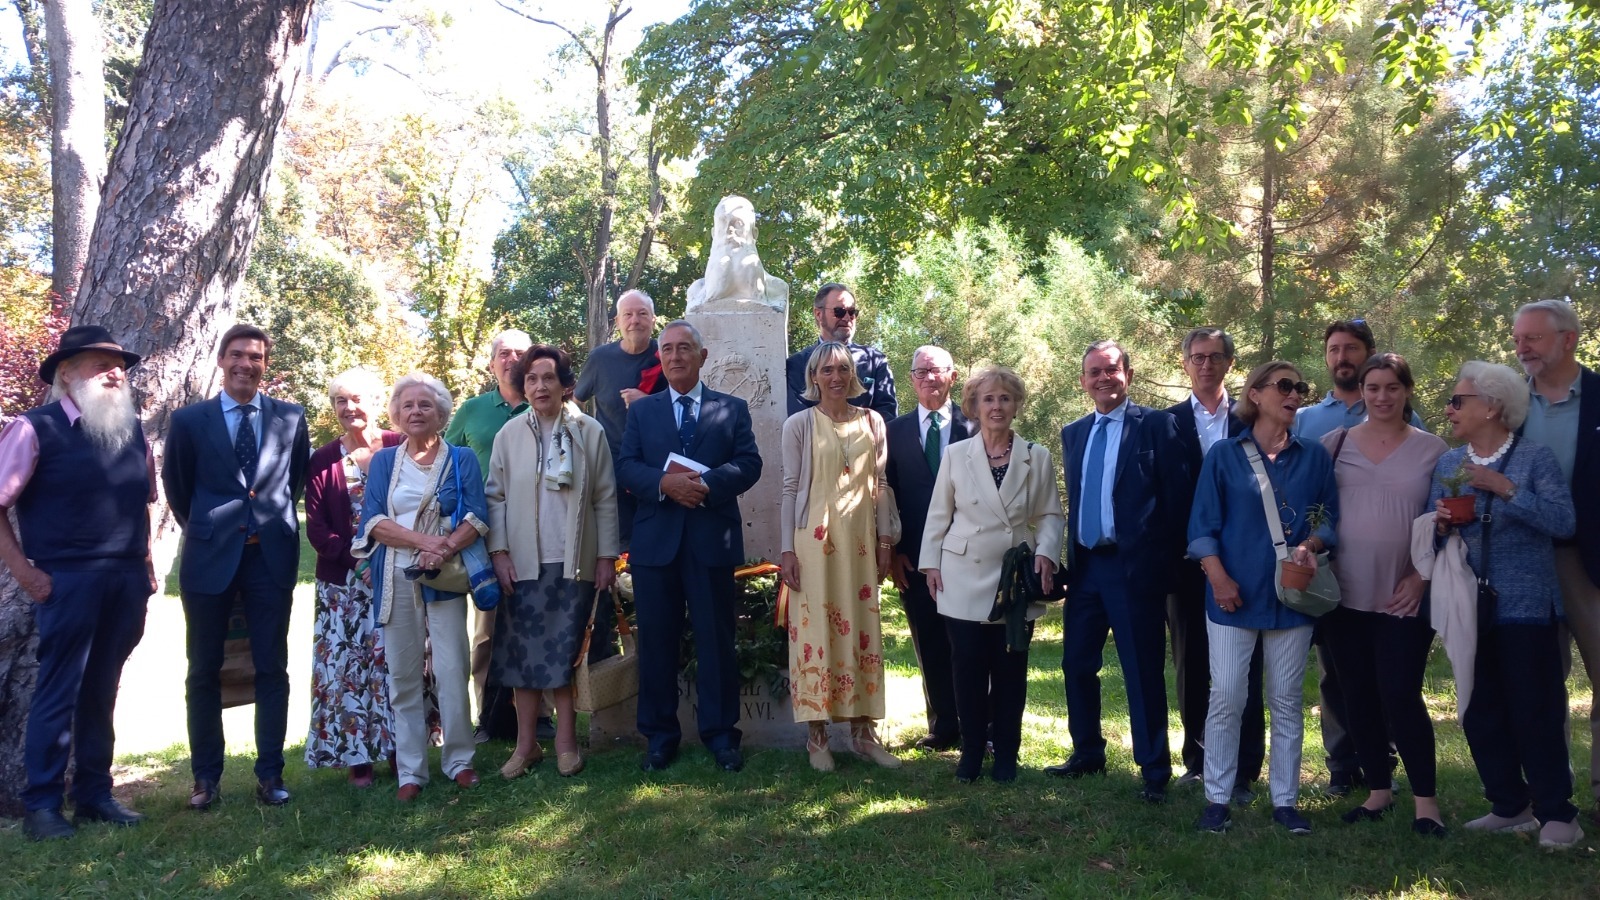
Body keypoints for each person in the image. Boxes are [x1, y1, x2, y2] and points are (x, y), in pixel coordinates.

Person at [0, 326, 155, 840]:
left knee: (102, 692)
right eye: (99, 364)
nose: (115, 373)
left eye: (119, 366)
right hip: (66, 580)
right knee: (58, 691)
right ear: (67, 375)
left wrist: (148, 567)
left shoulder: (131, 431)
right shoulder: (32, 428)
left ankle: (93, 794)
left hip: (127, 579)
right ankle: (42, 807)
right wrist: (26, 574)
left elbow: (143, 505)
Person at [1430, 360, 1581, 848]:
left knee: (1533, 709)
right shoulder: (1449, 465)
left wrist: (1507, 490)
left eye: (1458, 401)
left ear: (1492, 406)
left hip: (1526, 603)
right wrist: (1440, 525)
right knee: (1479, 708)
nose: (1449, 409)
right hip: (1469, 605)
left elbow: (1563, 522)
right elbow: (1435, 534)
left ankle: (1558, 814)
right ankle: (1509, 805)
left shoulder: (1533, 460)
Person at [163, 324, 311, 811]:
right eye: (237, 355)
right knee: (203, 668)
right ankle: (206, 778)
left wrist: (261, 524)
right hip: (210, 558)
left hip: (269, 557)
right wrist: (212, 527)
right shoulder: (189, 421)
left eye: (256, 356)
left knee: (272, 664)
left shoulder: (291, 417)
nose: (246, 364)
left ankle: (270, 774)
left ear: (265, 363)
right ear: (221, 360)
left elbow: (292, 482)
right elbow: (179, 488)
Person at [1188, 361, 1338, 835]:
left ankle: (1286, 803)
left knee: (1287, 700)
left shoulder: (1314, 456)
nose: (1295, 394)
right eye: (1285, 386)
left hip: (1291, 598)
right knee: (1229, 695)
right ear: (1255, 394)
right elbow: (1201, 528)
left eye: (1300, 388)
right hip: (1232, 597)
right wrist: (1218, 579)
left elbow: (1328, 520)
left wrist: (1311, 545)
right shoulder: (1224, 456)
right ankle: (1217, 798)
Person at [617, 320, 763, 773]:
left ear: (703, 357)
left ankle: (721, 736)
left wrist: (707, 485)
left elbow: (750, 463)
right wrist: (665, 484)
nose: (676, 356)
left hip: (709, 542)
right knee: (656, 643)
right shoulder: (643, 412)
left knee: (716, 641)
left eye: (685, 348)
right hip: (656, 546)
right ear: (659, 358)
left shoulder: (731, 408)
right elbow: (625, 467)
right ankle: (660, 738)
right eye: (668, 349)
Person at [1047, 341, 1187, 804]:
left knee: (1141, 669)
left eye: (1111, 370)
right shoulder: (1074, 432)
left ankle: (1154, 770)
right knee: (1076, 664)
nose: (1103, 378)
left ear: (1128, 373)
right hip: (1087, 568)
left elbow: (1177, 503)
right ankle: (1087, 752)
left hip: (1135, 571)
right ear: (1083, 380)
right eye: (1094, 372)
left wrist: (1161, 568)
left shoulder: (1159, 426)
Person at [1318, 353, 1448, 834]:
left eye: (1392, 387)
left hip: (1403, 595)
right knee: (1357, 696)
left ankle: (1426, 803)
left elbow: (1446, 525)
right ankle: (1377, 792)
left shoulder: (1433, 450)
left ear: (1406, 391)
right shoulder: (1334, 445)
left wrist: (1421, 577)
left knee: (1400, 694)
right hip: (1343, 595)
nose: (1382, 396)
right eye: (1373, 388)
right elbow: (1316, 513)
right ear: (1362, 394)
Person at [1292, 319, 1421, 793]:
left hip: (1396, 576)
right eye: (1333, 349)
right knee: (1336, 675)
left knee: (1391, 679)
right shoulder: (1309, 421)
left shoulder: (1411, 424)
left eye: (1351, 349)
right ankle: (1343, 763)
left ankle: (1384, 759)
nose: (1341, 357)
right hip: (1336, 574)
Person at [920, 365, 1063, 783]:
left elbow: (1050, 514)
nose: (996, 406)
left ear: (1016, 405)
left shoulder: (1036, 456)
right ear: (974, 407)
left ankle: (1006, 755)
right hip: (961, 575)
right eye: (988, 399)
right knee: (966, 670)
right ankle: (969, 755)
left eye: (1004, 398)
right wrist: (930, 562)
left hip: (1013, 583)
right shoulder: (955, 455)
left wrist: (1047, 554)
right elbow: (938, 515)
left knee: (1008, 673)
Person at [487, 345, 619, 779]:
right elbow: (496, 497)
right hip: (522, 564)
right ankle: (526, 747)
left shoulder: (589, 431)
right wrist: (500, 552)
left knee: (565, 655)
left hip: (573, 561)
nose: (539, 386)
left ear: (566, 385)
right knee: (522, 659)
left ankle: (565, 742)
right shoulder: (509, 435)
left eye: (548, 378)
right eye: (530, 379)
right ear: (522, 387)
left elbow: (603, 497)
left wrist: (605, 557)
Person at [354, 373, 487, 801]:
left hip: (444, 575)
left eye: (425, 405)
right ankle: (411, 771)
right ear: (396, 414)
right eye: (407, 405)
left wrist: (443, 549)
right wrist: (423, 542)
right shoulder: (384, 462)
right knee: (403, 675)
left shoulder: (461, 458)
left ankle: (460, 761)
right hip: (394, 575)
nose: (416, 412)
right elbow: (374, 521)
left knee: (452, 670)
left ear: (441, 414)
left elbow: (477, 516)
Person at [779, 342, 903, 772]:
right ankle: (817, 739)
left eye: (843, 369)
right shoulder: (799, 424)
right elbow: (790, 488)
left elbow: (881, 484)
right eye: (827, 370)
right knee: (815, 632)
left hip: (861, 543)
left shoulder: (873, 421)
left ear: (853, 375)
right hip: (812, 544)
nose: (836, 377)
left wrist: (885, 540)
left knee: (863, 627)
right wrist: (786, 550)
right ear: (813, 376)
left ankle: (863, 735)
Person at [1164, 327, 1265, 802]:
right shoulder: (1163, 423)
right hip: (1184, 564)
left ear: (1229, 364)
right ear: (1185, 364)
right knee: (1192, 663)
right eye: (1197, 357)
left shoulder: (1250, 421)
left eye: (1215, 357)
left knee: (1245, 664)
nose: (1206, 364)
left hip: (1243, 559)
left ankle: (1244, 769)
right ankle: (1199, 760)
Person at [1513, 299, 1600, 813]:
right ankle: (1550, 794)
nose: (1522, 348)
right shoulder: (1508, 404)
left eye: (1533, 339)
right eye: (1518, 339)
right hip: (1525, 559)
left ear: (1568, 339)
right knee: (1539, 682)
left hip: (1589, 561)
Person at [303, 368, 404, 787]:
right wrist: (358, 563)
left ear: (376, 400)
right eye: (340, 401)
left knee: (399, 663)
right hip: (344, 585)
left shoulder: (399, 446)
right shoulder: (323, 459)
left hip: (399, 575)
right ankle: (357, 759)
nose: (349, 408)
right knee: (348, 670)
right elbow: (316, 527)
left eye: (357, 399)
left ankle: (404, 752)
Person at [444, 328, 534, 742]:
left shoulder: (545, 403)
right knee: (488, 626)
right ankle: (489, 716)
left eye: (520, 353)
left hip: (536, 526)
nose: (512, 359)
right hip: (483, 530)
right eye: (504, 353)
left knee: (537, 619)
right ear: (492, 362)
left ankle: (542, 714)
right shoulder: (472, 410)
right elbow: (444, 463)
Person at [885, 345, 972, 752]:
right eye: (920, 372)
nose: (929, 379)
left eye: (936, 371)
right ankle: (942, 724)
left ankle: (981, 726)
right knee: (929, 641)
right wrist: (895, 550)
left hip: (971, 553)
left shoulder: (975, 425)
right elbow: (888, 493)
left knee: (971, 640)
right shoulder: (893, 431)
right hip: (914, 555)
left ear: (952, 376)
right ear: (911, 379)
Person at [574, 290, 667, 550]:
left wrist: (647, 402)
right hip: (610, 466)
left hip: (658, 468)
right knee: (619, 544)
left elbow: (686, 403)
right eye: (628, 314)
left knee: (656, 540)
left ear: (653, 320)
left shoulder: (668, 355)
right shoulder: (600, 359)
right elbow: (575, 404)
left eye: (642, 314)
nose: (635, 320)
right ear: (617, 322)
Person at [784, 283, 897, 420]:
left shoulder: (875, 361)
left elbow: (887, 415)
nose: (847, 318)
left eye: (852, 312)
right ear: (819, 314)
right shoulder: (797, 364)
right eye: (839, 311)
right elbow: (799, 419)